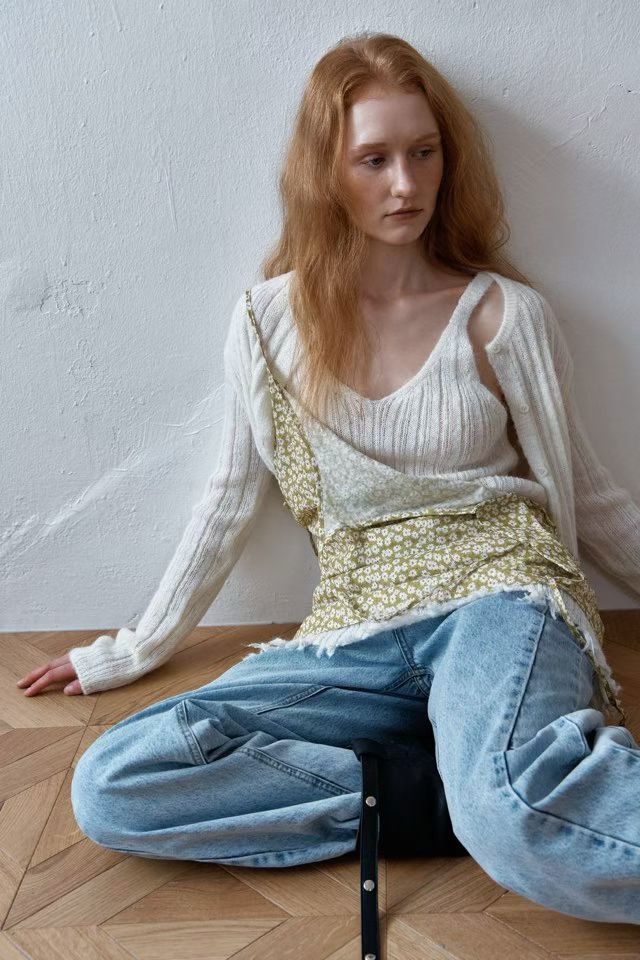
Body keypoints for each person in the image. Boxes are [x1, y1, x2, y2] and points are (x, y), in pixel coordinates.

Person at [17, 32, 640, 923]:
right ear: (325, 171)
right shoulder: (267, 323)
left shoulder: (502, 314)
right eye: (374, 159)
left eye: (425, 152)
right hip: (353, 638)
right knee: (115, 780)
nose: (406, 184)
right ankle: (431, 793)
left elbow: (589, 492)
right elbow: (229, 499)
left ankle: (487, 798)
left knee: (518, 811)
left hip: (500, 599)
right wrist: (131, 648)